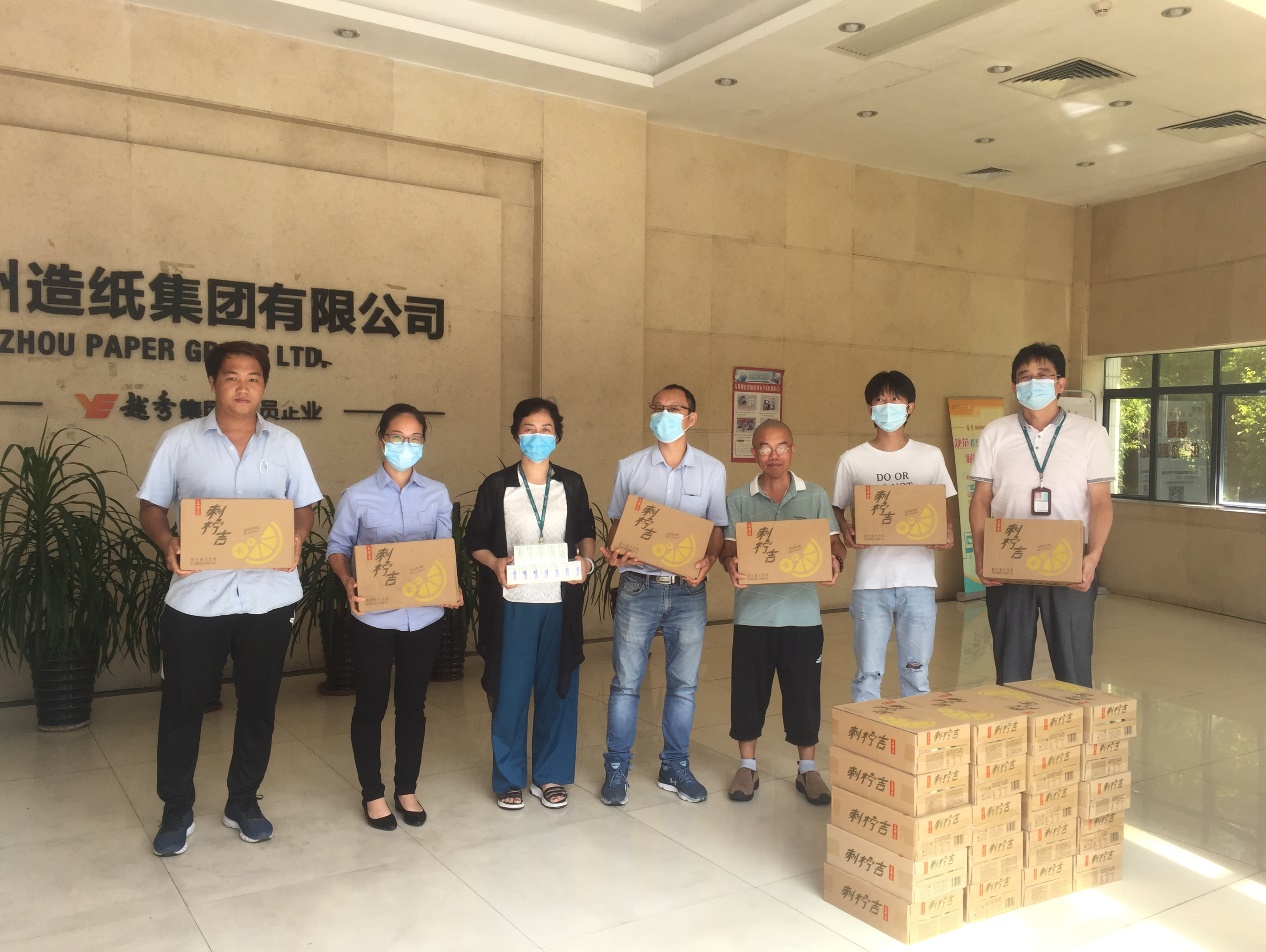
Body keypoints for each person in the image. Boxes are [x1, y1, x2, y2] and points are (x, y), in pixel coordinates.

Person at [138, 341, 321, 857]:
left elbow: (304, 506)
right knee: (182, 706)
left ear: (264, 385)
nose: (243, 387)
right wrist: (167, 542)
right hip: (197, 598)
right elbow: (151, 507)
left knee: (259, 705)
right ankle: (177, 808)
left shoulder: (286, 444)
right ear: (212, 382)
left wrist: (298, 537)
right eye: (232, 377)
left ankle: (243, 801)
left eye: (253, 378)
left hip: (268, 597)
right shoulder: (180, 441)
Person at [326, 404, 462, 831]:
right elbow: (337, 547)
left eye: (415, 438)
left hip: (423, 618)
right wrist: (348, 580)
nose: (407, 445)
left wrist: (451, 585)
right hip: (374, 620)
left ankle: (406, 789)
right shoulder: (357, 495)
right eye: (398, 437)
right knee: (370, 706)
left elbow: (443, 550)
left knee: (413, 706)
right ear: (381, 438)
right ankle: (372, 792)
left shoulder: (437, 494)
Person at [599, 384, 727, 806]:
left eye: (674, 408)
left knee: (684, 685)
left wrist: (710, 559)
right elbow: (616, 525)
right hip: (638, 585)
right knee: (626, 683)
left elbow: (716, 528)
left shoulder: (712, 470)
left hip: (688, 591)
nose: (664, 414)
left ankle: (675, 765)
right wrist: (615, 551)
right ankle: (616, 768)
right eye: (658, 408)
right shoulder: (631, 467)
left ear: (692, 418)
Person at [466, 398, 596, 810]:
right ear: (515, 434)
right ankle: (508, 778)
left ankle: (549, 775)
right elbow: (475, 541)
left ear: (557, 435)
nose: (537, 436)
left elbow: (586, 532)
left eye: (545, 429)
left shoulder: (571, 484)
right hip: (512, 605)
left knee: (557, 688)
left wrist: (587, 562)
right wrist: (495, 563)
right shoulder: (497, 485)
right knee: (510, 692)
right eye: (528, 428)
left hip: (559, 603)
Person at [969, 343, 1114, 688]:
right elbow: (981, 499)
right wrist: (981, 554)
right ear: (1014, 386)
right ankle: (1014, 723)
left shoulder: (1090, 434)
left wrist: (1093, 556)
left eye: (1043, 374)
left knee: (1074, 669)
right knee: (1010, 671)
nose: (1033, 382)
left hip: (1069, 561)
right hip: (1008, 561)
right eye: (1024, 376)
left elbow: (1101, 502)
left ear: (1061, 383)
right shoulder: (995, 433)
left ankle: (1076, 723)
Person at [721, 421, 846, 805]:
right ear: (753, 452)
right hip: (752, 616)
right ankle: (747, 766)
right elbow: (728, 548)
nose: (773, 455)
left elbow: (836, 544)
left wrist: (836, 561)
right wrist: (730, 563)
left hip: (802, 617)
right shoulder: (738, 499)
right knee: (748, 694)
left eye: (780, 447)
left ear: (793, 450)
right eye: (764, 447)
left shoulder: (816, 496)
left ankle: (807, 770)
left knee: (804, 695)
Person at [832, 371, 957, 702]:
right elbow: (836, 507)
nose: (888, 406)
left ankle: (914, 735)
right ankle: (866, 734)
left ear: (910, 407)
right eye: (880, 400)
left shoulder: (930, 456)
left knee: (917, 675)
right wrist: (845, 528)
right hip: (871, 582)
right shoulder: (852, 460)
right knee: (867, 676)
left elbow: (942, 504)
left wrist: (946, 531)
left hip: (919, 580)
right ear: (870, 408)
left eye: (896, 400)